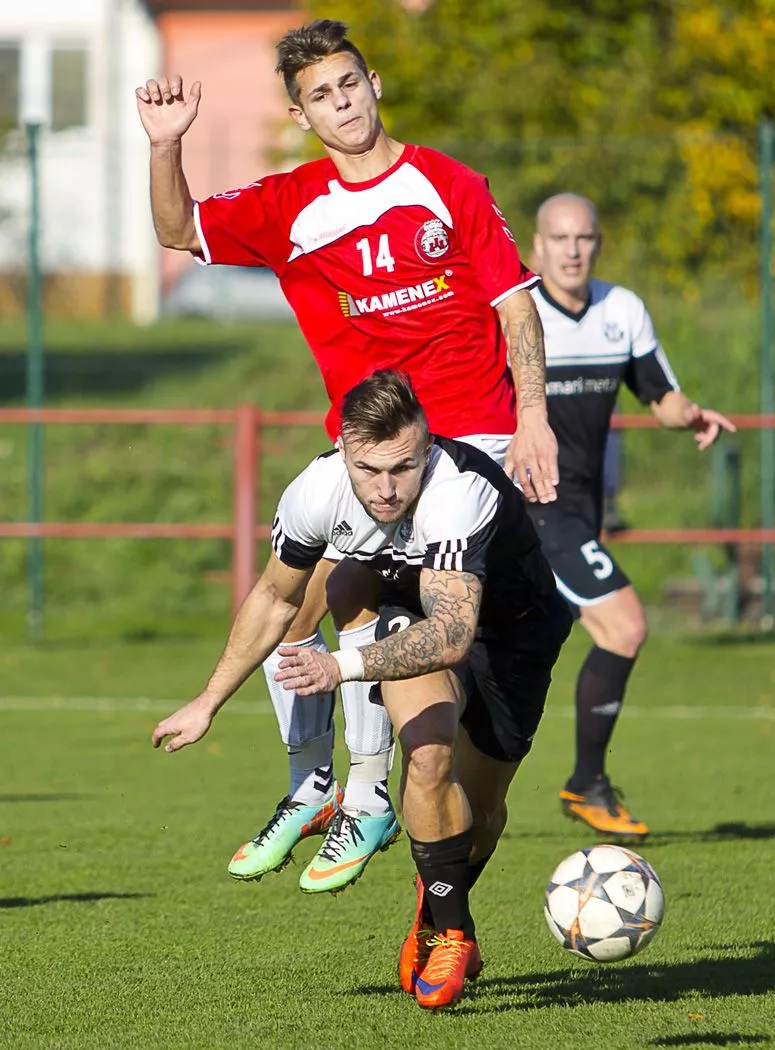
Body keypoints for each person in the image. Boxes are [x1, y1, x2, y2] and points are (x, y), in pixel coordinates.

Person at [135, 19, 559, 893]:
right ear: (302, 115)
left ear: (375, 84)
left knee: (353, 593)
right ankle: (317, 788)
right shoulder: (290, 205)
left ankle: (367, 795)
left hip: (470, 442)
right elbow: (178, 232)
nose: (342, 104)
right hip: (369, 456)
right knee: (296, 601)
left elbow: (517, 306)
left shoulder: (448, 184)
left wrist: (533, 417)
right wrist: (166, 146)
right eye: (321, 96)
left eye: (350, 84)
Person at [151, 371, 572, 1009]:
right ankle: (451, 929)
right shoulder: (316, 490)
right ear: (343, 449)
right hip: (410, 615)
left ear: (427, 446)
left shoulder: (458, 492)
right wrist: (208, 700)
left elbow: (452, 633)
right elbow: (274, 599)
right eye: (368, 469)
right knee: (428, 758)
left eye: (403, 467)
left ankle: (434, 900)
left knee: (482, 814)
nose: (386, 488)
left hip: (514, 635)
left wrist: (341, 668)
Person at [528, 192, 736, 838]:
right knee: (623, 626)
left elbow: (659, 395)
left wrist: (690, 414)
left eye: (583, 237)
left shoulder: (621, 311)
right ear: (537, 247)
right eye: (559, 238)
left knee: (505, 656)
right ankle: (586, 782)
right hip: (532, 508)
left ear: (598, 244)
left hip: (579, 510)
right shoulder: (516, 314)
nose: (572, 250)